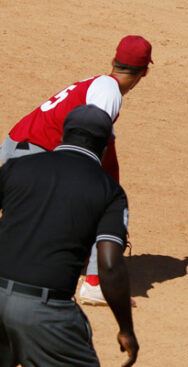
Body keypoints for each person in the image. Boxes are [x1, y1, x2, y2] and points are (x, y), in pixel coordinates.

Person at [0, 35, 153, 305]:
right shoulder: (108, 92)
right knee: (95, 201)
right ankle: (95, 283)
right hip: (35, 149)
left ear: (113, 61)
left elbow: (104, 144)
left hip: (23, 145)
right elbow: (91, 134)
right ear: (145, 72)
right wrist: (108, 196)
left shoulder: (100, 84)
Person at [0, 105, 138, 366]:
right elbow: (109, 265)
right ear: (106, 146)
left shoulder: (17, 167)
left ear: (63, 135)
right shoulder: (108, 190)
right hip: (46, 314)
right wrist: (126, 328)